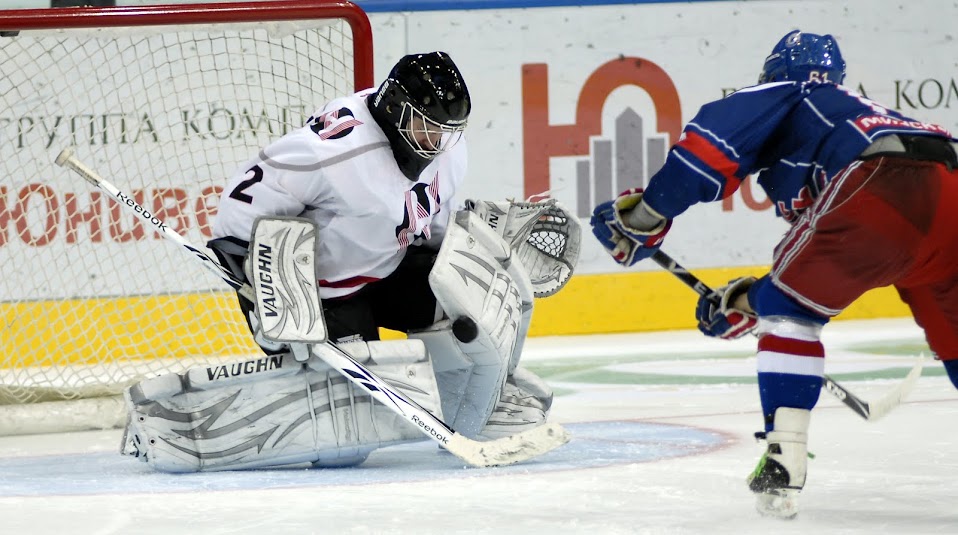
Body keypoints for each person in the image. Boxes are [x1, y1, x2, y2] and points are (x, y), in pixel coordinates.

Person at [120, 52, 564, 473]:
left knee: (472, 305)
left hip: (388, 268)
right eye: (428, 128)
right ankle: (253, 416)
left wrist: (475, 245)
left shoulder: (447, 147)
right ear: (394, 108)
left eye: (447, 131)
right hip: (324, 296)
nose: (439, 142)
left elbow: (427, 218)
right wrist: (254, 274)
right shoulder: (331, 153)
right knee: (347, 450)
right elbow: (244, 200)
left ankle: (470, 404)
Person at [590, 30, 958, 518]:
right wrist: (746, 300)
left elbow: (701, 159)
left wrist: (642, 219)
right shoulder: (859, 112)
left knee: (791, 314)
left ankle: (785, 460)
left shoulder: (789, 92)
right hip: (948, 185)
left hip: (880, 181)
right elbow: (839, 260)